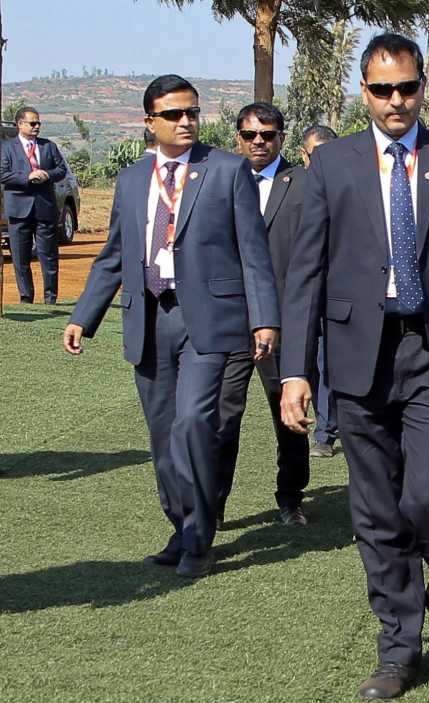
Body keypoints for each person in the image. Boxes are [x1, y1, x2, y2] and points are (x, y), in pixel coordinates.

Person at [278, 33, 429, 700]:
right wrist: (298, 371)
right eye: (382, 90)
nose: (395, 101)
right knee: (377, 510)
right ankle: (395, 645)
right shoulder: (331, 167)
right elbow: (303, 278)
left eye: (406, 88)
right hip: (359, 358)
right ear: (364, 92)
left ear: (422, 87)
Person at [65, 75, 279, 579]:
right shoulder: (134, 179)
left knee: (192, 425)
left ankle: (200, 538)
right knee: (163, 437)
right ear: (150, 123)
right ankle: (181, 527)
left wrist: (265, 319)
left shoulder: (226, 170)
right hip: (148, 321)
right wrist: (83, 317)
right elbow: (116, 255)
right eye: (174, 115)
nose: (186, 122)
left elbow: (255, 254)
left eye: (192, 113)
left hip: (211, 322)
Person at [213, 102, 312, 527]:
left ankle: (291, 498)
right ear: (237, 137)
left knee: (289, 416)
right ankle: (212, 505)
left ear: (281, 138)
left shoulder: (306, 184)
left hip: (286, 323)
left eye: (267, 135)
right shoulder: (217, 181)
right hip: (230, 323)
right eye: (249, 135)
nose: (258, 142)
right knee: (221, 418)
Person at [300, 123, 340, 459]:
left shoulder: (349, 188)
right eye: (316, 155)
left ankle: (325, 431)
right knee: (306, 361)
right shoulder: (292, 191)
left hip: (338, 295)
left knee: (328, 362)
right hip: (301, 295)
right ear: (304, 156)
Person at [2, 108, 66, 304]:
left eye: (38, 123)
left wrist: (47, 174)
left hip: (45, 208)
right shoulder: (7, 147)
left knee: (49, 256)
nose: (37, 126)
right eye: (32, 123)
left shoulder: (49, 146)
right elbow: (3, 174)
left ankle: (50, 299)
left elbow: (61, 169)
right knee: (20, 259)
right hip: (18, 210)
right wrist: (27, 177)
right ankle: (26, 298)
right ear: (20, 124)